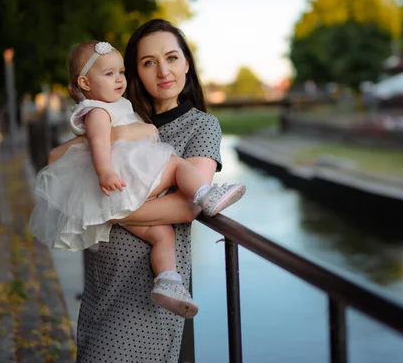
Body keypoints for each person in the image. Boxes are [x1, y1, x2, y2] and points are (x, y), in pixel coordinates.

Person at [30, 40, 245, 320]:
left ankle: (169, 281)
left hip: (120, 197)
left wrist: (103, 212)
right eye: (110, 74)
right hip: (120, 184)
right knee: (177, 166)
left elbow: (70, 151)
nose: (119, 78)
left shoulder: (190, 122)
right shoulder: (99, 110)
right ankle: (205, 194)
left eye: (120, 72)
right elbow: (79, 148)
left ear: (187, 64)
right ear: (85, 81)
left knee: (162, 234)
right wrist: (109, 164)